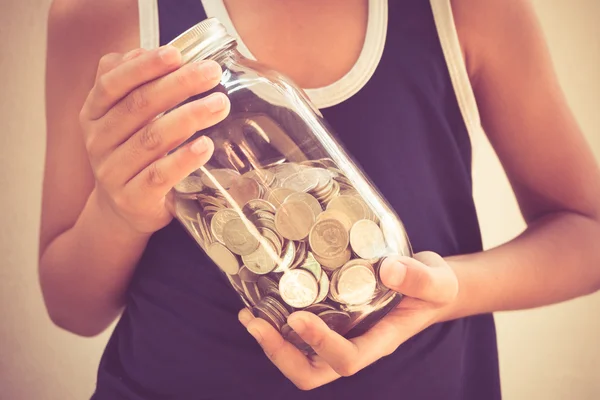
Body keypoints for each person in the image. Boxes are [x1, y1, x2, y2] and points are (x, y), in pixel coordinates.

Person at [40, 0, 600, 399]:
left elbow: (587, 229)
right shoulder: (100, 14)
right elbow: (71, 307)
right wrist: (118, 214)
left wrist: (448, 292)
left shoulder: (466, 10)